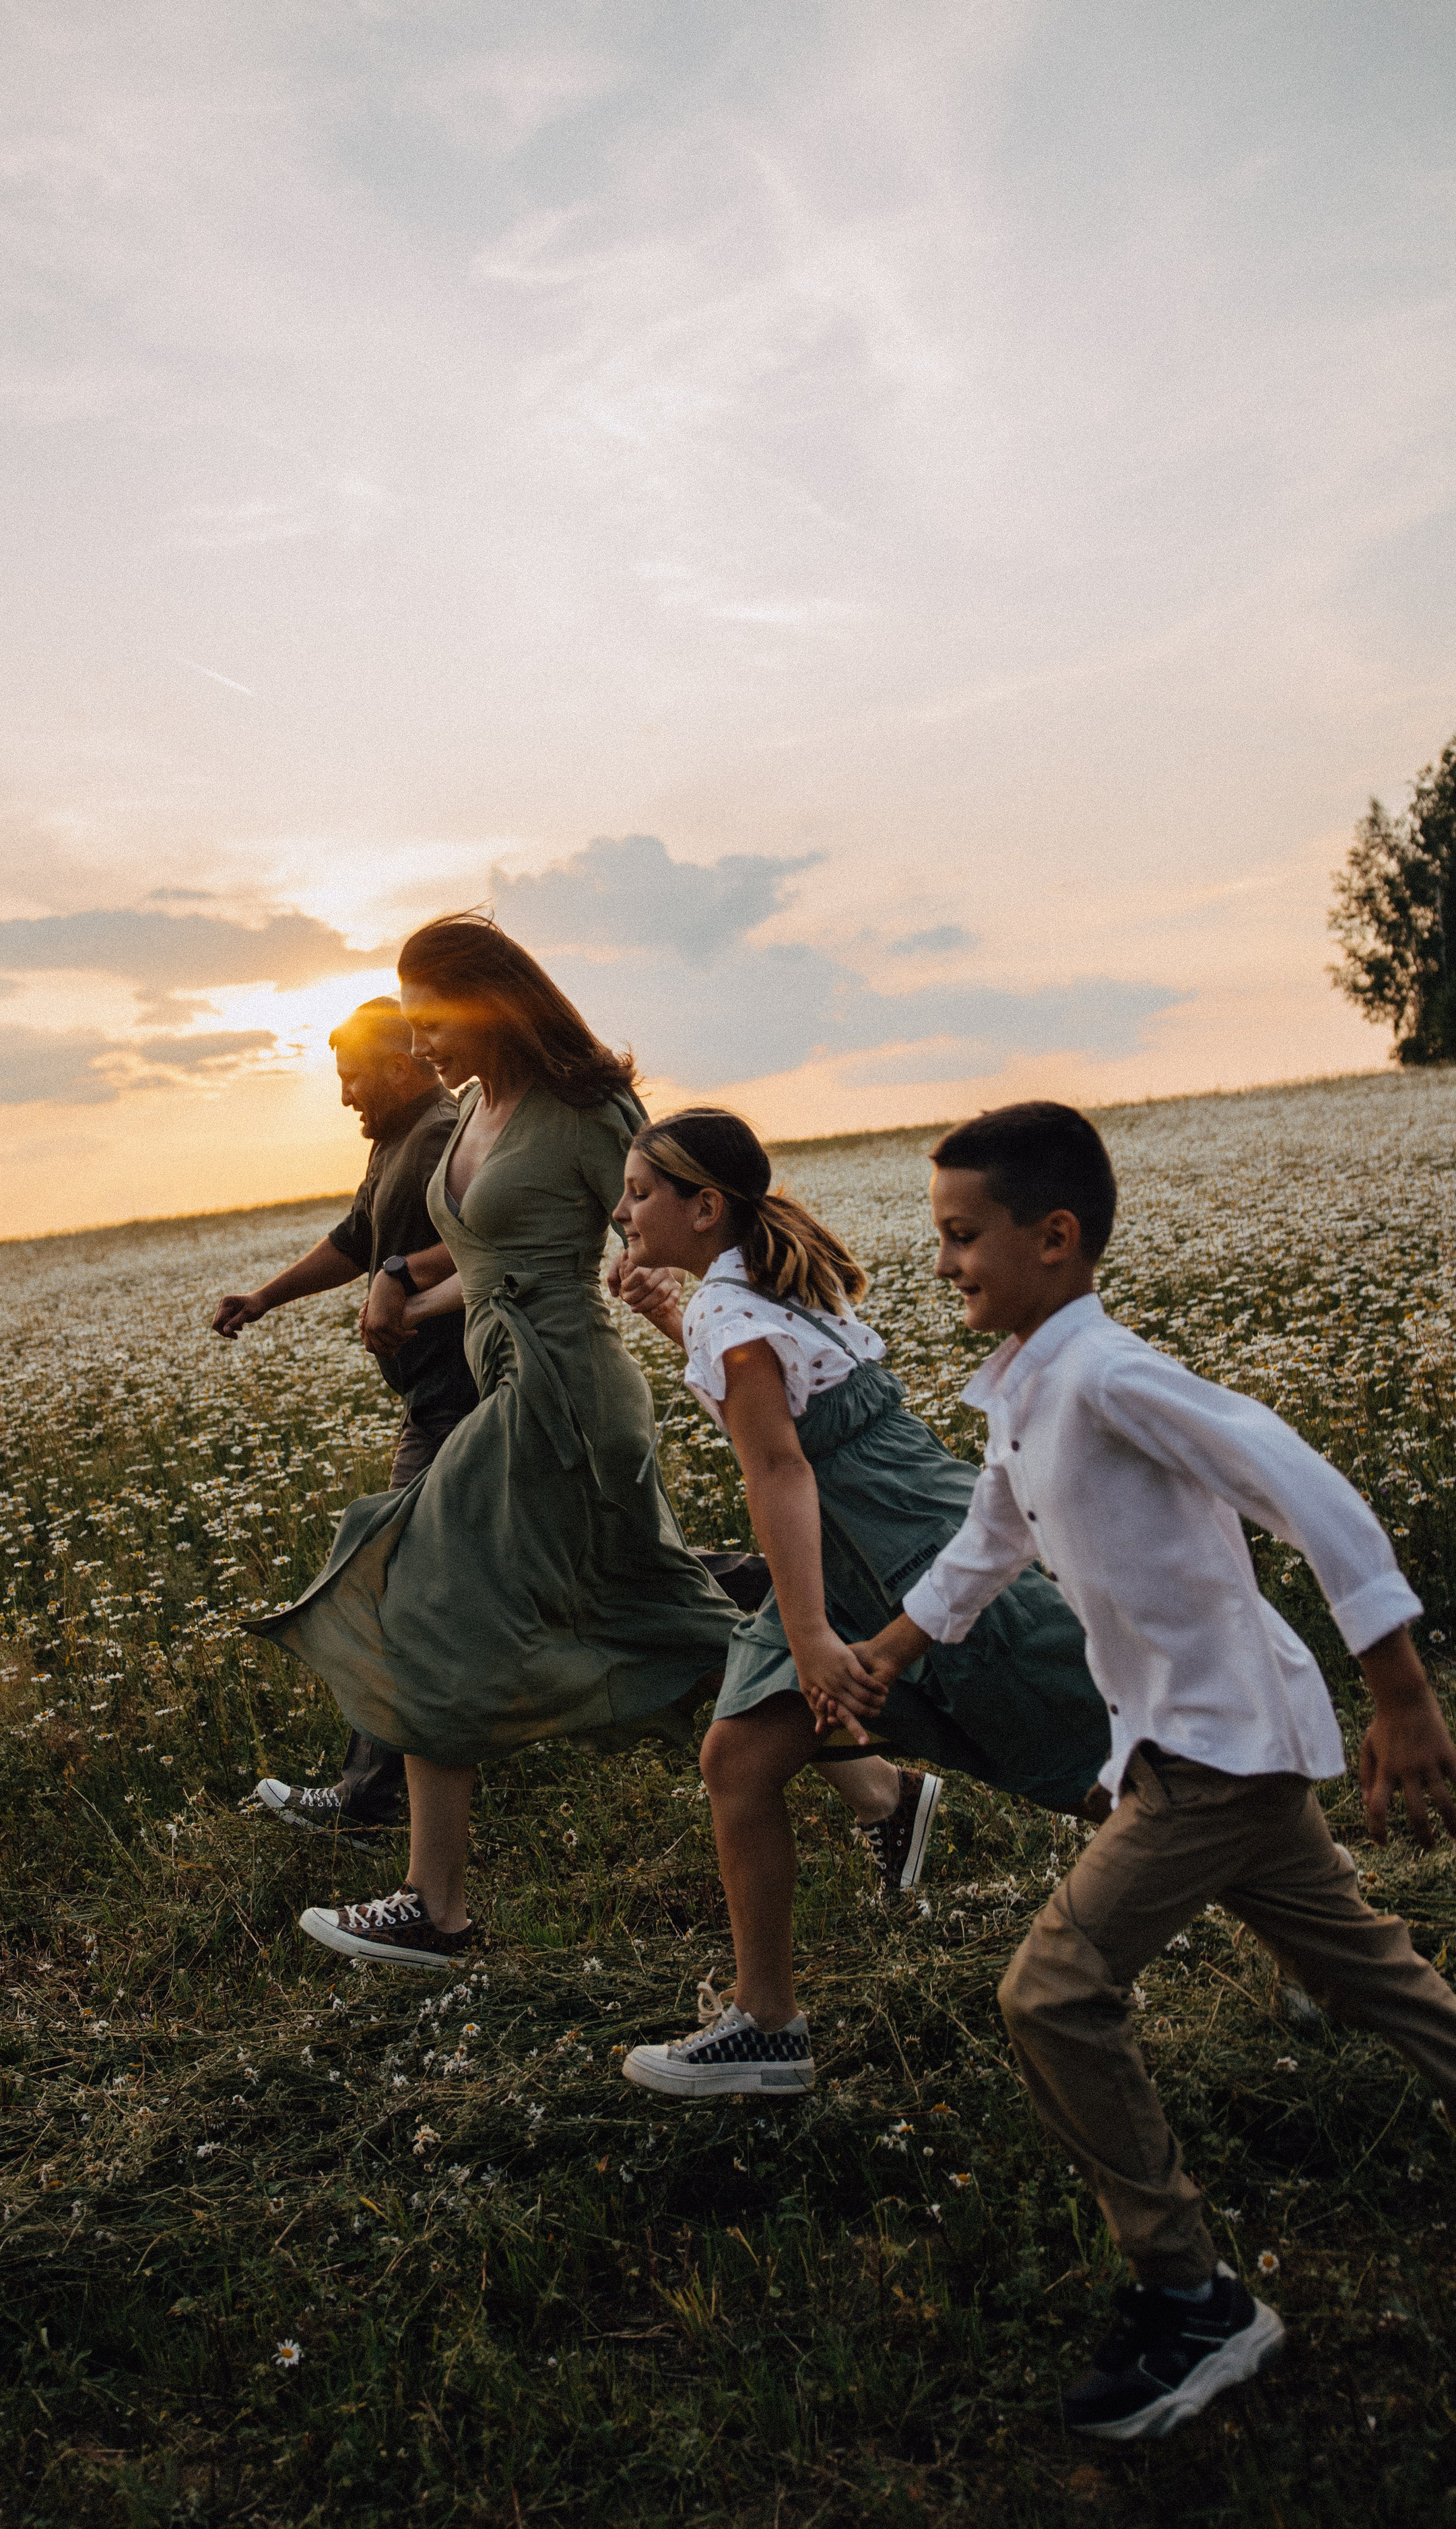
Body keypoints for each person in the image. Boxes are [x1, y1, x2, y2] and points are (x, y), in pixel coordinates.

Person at [849, 1099, 1456, 2443]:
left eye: (961, 1237)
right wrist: (885, 1651)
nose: (941, 1262)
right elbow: (985, 1543)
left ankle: (1190, 2297)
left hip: (1210, 1756)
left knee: (1050, 1994)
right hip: (1191, 1743)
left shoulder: (1110, 1377)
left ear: (1052, 1240)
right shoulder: (1023, 1388)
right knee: (1371, 1979)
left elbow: (1309, 1489)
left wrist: (1400, 1695)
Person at [244, 913, 738, 1964]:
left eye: (432, 1021)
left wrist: (733, 1317)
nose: (421, 1046)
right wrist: (406, 1297)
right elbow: (492, 1262)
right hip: (505, 1376)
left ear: (491, 1003)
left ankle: (435, 1905)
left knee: (422, 1587)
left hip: (566, 1394)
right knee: (664, 1609)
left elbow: (665, 1223)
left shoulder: (591, 1109)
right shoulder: (474, 1108)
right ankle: (881, 1791)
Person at [604, 1109, 1110, 2101]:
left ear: (704, 1209)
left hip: (896, 1548)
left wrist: (808, 1634)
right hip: (855, 1543)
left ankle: (1312, 1933)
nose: (621, 1209)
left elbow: (782, 1468)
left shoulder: (732, 1311)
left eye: (639, 1192)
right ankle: (766, 2025)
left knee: (1099, 1764)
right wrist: (670, 1315)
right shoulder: (750, 1286)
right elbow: (763, 1394)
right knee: (739, 1760)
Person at [213, 996, 478, 1843]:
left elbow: (489, 1239)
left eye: (353, 1078)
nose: (343, 1097)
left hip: (465, 1399)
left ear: (400, 1068)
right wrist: (265, 1298)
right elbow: (357, 1237)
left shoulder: (440, 1134)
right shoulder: (395, 1141)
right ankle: (765, 1601)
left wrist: (400, 1272)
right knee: (582, 1569)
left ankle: (364, 1807)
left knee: (384, 1583)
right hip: (434, 1400)